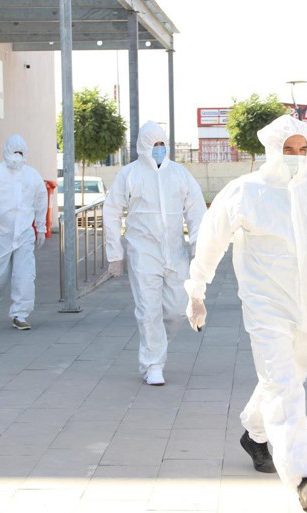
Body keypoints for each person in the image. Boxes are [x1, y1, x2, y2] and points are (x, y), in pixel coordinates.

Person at [184, 115, 307, 510]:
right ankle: (302, 476)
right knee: (283, 385)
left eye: (303, 150)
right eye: (288, 150)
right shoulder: (246, 191)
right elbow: (211, 238)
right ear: (273, 149)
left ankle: (254, 434)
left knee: (288, 376)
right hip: (264, 303)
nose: (296, 157)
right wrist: (196, 289)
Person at [103, 120, 206, 386]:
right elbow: (112, 211)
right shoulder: (129, 175)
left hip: (176, 251)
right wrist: (115, 253)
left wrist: (198, 246)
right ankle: (153, 365)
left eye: (162, 144)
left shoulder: (180, 174)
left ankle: (156, 345)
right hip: (143, 252)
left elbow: (196, 210)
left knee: (175, 311)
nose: (158, 149)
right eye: (154, 145)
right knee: (149, 311)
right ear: (143, 146)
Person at [0, 134, 48, 330]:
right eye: (14, 151)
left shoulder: (32, 175)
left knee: (25, 275)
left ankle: (20, 314)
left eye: (20, 152)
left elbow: (41, 201)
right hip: (1, 232)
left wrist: (41, 228)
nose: (17, 155)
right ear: (7, 151)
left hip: (24, 233)